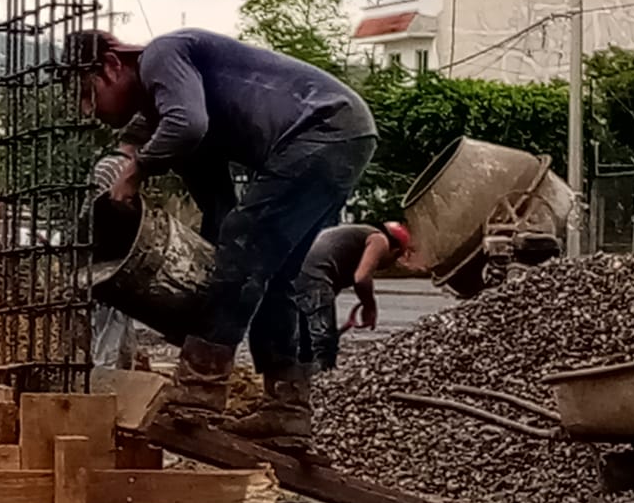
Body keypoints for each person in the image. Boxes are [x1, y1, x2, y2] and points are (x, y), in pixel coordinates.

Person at [67, 27, 377, 441]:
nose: (90, 110)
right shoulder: (184, 110)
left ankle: (199, 390)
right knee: (274, 271)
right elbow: (220, 213)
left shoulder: (164, 56)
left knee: (246, 245)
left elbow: (187, 125)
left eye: (89, 93)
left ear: (110, 66)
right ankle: (287, 408)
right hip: (345, 134)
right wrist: (210, 295)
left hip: (323, 126)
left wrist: (137, 172)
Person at [296, 221, 410, 371]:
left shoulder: (355, 237)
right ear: (394, 251)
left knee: (307, 337)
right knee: (324, 341)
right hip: (314, 274)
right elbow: (362, 278)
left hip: (296, 270)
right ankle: (323, 379)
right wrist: (370, 307)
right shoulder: (379, 239)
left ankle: (302, 378)